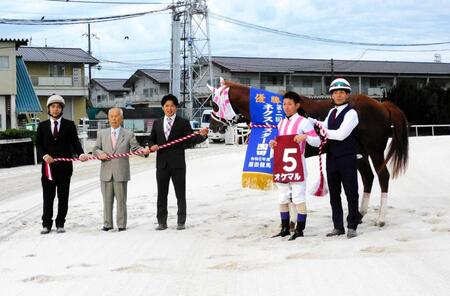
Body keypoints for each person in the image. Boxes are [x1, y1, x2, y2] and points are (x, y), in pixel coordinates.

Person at [310, 78, 363, 239]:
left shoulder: (352, 113)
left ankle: (352, 225)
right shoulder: (332, 112)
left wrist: (322, 131)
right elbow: (324, 125)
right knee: (334, 194)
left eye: (342, 92)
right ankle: (338, 226)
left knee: (351, 192)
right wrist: (311, 121)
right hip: (332, 158)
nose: (338, 95)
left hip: (347, 157)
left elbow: (340, 134)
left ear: (347, 95)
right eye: (335, 93)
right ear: (331, 95)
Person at [149, 94, 209, 231]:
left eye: (172, 106)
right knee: (161, 194)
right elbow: (151, 139)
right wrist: (152, 145)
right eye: (166, 106)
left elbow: (190, 140)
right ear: (163, 108)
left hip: (178, 165)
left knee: (180, 194)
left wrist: (202, 136)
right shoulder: (157, 123)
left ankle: (181, 221)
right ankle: (161, 222)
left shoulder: (183, 122)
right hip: (162, 165)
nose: (169, 108)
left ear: (176, 107)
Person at [269, 91, 320, 240]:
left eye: (290, 104)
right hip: (282, 165)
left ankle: (300, 230)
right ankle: (285, 228)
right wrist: (273, 144)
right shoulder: (281, 122)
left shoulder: (303, 121)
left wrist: (305, 136)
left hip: (298, 165)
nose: (286, 107)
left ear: (297, 105)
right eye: (284, 104)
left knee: (298, 197)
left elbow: (316, 141)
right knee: (283, 197)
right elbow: (279, 143)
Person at [36, 94, 88, 234]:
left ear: (62, 109)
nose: (55, 109)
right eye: (53, 106)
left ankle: (60, 223)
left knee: (63, 197)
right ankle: (46, 224)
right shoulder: (42, 126)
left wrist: (81, 153)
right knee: (48, 197)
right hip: (48, 168)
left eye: (58, 107)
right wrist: (44, 155)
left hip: (64, 168)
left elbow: (75, 142)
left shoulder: (69, 125)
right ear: (48, 108)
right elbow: (38, 145)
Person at [93, 108, 150, 232]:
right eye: (111, 116)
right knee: (107, 201)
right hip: (106, 172)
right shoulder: (102, 134)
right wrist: (100, 153)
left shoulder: (128, 134)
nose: (114, 118)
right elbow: (95, 148)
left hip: (121, 172)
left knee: (121, 200)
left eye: (116, 116)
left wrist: (144, 151)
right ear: (108, 118)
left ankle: (121, 224)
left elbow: (135, 148)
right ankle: (107, 224)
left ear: (121, 118)